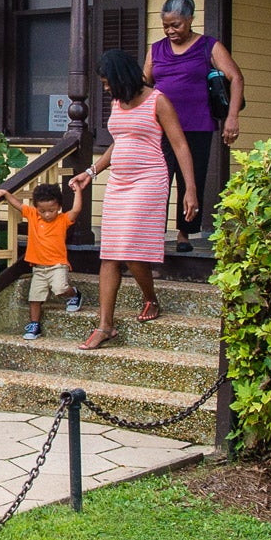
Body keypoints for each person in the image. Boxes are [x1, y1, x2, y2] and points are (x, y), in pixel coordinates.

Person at [78, 47, 198, 350]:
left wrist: (191, 190)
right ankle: (105, 326)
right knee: (109, 253)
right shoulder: (119, 103)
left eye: (107, 82)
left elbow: (181, 146)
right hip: (119, 182)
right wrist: (91, 172)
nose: (106, 89)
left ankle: (151, 299)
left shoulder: (158, 101)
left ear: (120, 76)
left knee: (130, 250)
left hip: (149, 180)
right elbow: (119, 143)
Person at [149, 0, 243, 237]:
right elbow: (144, 83)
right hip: (160, 127)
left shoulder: (208, 46)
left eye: (176, 25)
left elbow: (236, 77)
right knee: (158, 179)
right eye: (166, 26)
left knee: (191, 180)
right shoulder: (156, 49)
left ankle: (185, 232)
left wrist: (232, 118)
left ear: (190, 20)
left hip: (197, 124)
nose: (170, 30)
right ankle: (153, 233)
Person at [0, 175, 85, 337]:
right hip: (38, 267)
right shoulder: (33, 216)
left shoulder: (63, 219)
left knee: (60, 288)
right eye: (42, 210)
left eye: (51, 210)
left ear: (59, 206)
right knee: (34, 297)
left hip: (58, 265)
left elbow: (77, 209)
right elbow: (18, 205)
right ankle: (34, 325)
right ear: (36, 207)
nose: (47, 214)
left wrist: (78, 190)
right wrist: (6, 194)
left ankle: (74, 294)